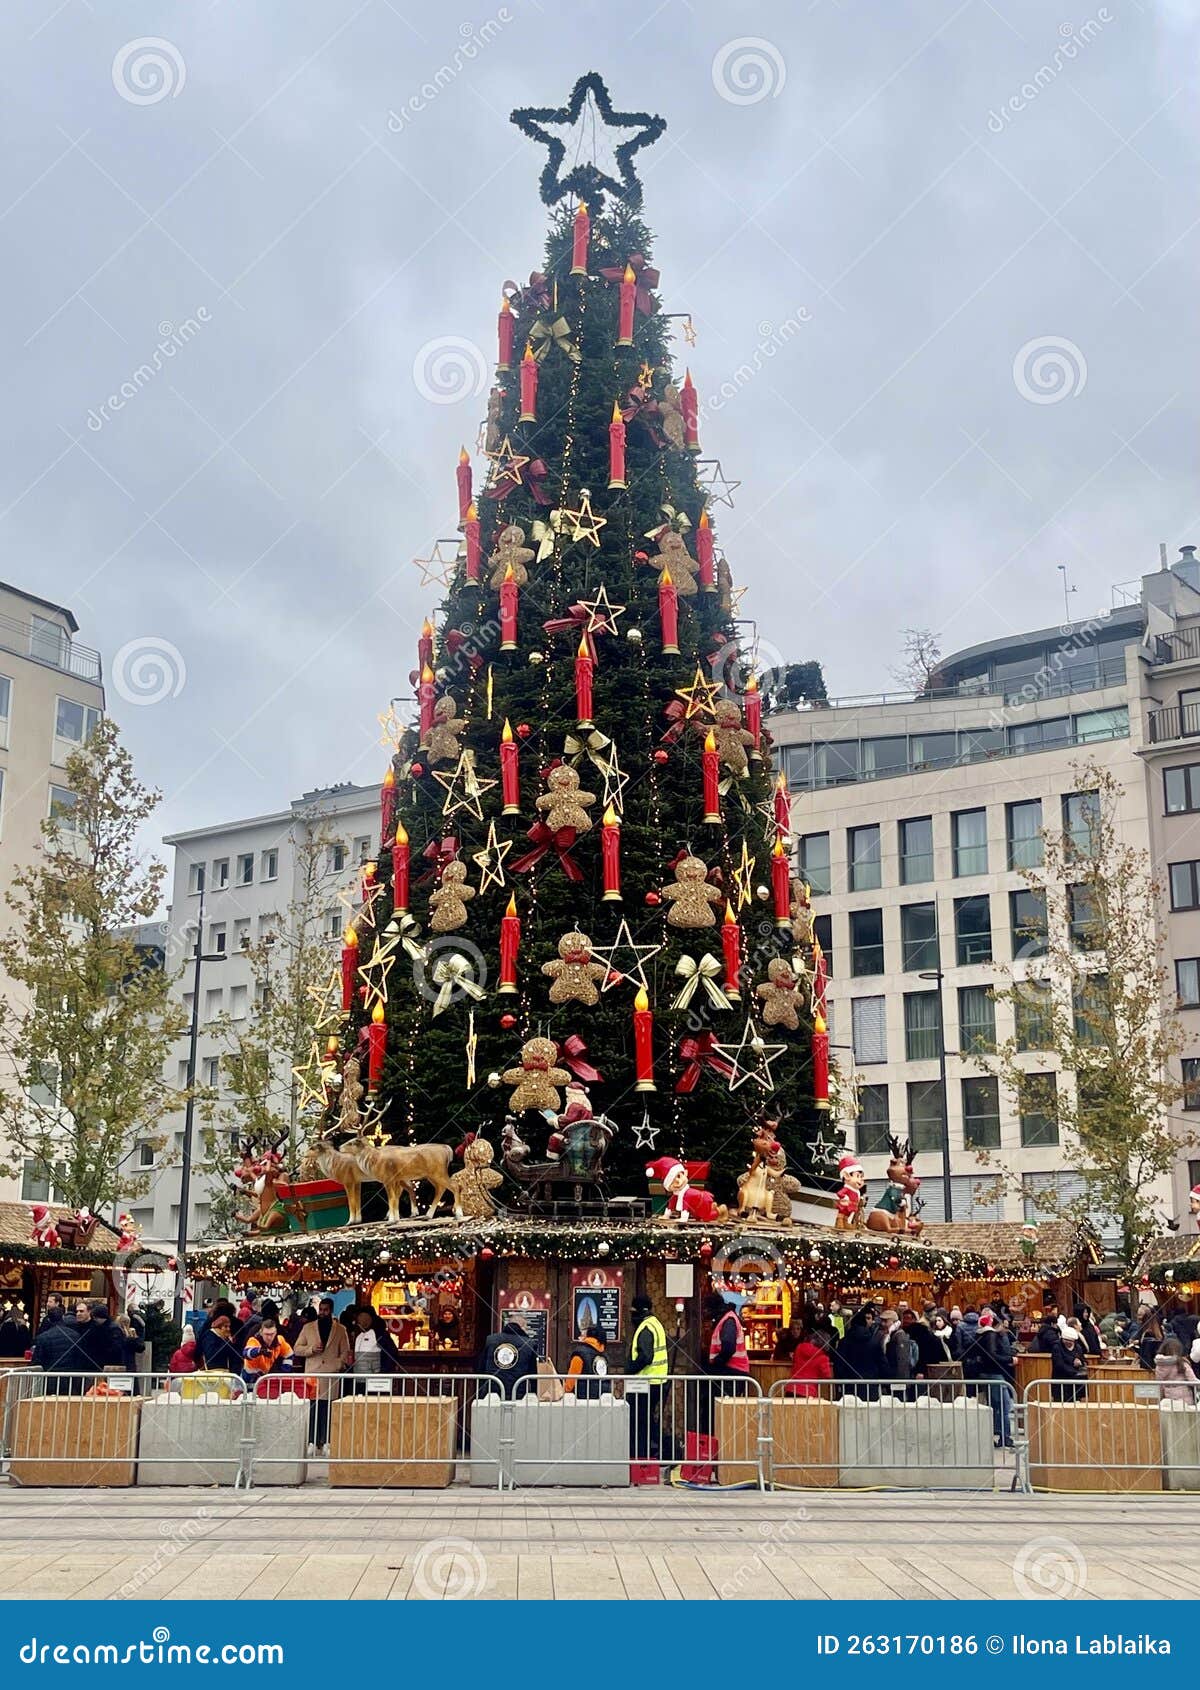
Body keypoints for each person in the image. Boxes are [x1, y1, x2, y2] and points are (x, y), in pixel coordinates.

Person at [292, 1297, 352, 1449]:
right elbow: (297, 1348)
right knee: (312, 1408)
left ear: (331, 1311)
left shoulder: (340, 1329)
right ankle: (311, 1441)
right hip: (313, 1373)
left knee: (328, 1409)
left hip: (331, 1373)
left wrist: (338, 1364)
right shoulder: (308, 1328)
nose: (323, 1313)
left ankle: (326, 1441)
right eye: (321, 1310)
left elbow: (345, 1351)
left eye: (326, 1310)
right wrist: (311, 1350)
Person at [956, 1309, 1013, 1446]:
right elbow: (992, 1356)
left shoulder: (978, 1335)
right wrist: (1010, 1359)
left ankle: (995, 1433)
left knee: (994, 1405)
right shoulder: (991, 1336)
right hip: (994, 1373)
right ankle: (1005, 1436)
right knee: (1003, 1405)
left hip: (984, 1373)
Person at [626, 1294, 669, 1463]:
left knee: (641, 1423)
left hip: (645, 1383)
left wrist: (630, 1369)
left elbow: (646, 1356)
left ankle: (644, 1456)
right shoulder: (655, 1323)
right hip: (656, 1381)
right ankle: (648, 1454)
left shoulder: (645, 1328)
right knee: (646, 1421)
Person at [31, 1306, 97, 1391]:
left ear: (49, 1320)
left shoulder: (43, 1337)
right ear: (63, 1317)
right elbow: (81, 1358)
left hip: (50, 1378)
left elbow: (37, 1360)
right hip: (72, 1379)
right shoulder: (75, 1335)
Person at [478, 1316, 540, 1400]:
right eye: (526, 1327)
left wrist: (481, 1390)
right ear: (521, 1327)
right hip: (518, 1392)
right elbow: (533, 1373)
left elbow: (480, 1367)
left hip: (492, 1391)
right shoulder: (529, 1344)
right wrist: (535, 1392)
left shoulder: (490, 1340)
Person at [833, 1309, 885, 1398]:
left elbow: (839, 1365)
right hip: (870, 1385)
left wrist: (841, 1381)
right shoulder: (874, 1343)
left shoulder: (844, 1342)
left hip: (849, 1386)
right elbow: (882, 1364)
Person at [351, 1306, 401, 1376]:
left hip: (374, 1379)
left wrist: (382, 1373)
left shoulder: (379, 1333)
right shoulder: (359, 1335)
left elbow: (391, 1352)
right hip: (359, 1378)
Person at [564, 1325, 610, 1399]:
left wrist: (565, 1391)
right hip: (603, 1396)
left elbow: (571, 1378)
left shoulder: (580, 1354)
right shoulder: (603, 1355)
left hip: (583, 1397)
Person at [241, 1317, 293, 1383]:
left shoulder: (280, 1340)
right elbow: (246, 1353)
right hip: (249, 1378)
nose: (269, 1337)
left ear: (276, 1332)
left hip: (264, 1378)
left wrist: (283, 1372)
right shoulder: (254, 1341)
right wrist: (259, 1351)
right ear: (261, 1332)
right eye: (266, 1334)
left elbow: (289, 1354)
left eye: (272, 1334)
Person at [785, 1327, 833, 1397]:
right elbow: (826, 1376)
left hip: (791, 1388)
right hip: (808, 1391)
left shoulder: (799, 1348)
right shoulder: (823, 1358)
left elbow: (794, 1360)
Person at [1050, 1324, 1089, 1402]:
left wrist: (1081, 1363)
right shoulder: (1056, 1347)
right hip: (1061, 1383)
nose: (1070, 1343)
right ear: (1063, 1339)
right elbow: (1059, 1365)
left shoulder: (1078, 1347)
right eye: (1067, 1340)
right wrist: (1072, 1364)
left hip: (1076, 1385)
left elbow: (1084, 1361)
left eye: (1072, 1341)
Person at [878, 1309, 914, 1392]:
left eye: (885, 1321)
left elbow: (902, 1360)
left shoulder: (899, 1336)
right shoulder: (888, 1335)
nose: (883, 1324)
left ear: (893, 1321)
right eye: (882, 1321)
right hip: (891, 1377)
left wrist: (900, 1383)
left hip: (897, 1380)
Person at [1154, 1336, 1198, 1403]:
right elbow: (1192, 1380)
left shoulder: (1159, 1365)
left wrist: (1160, 1399)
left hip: (1168, 1398)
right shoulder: (1182, 1363)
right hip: (1185, 1399)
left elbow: (1160, 1385)